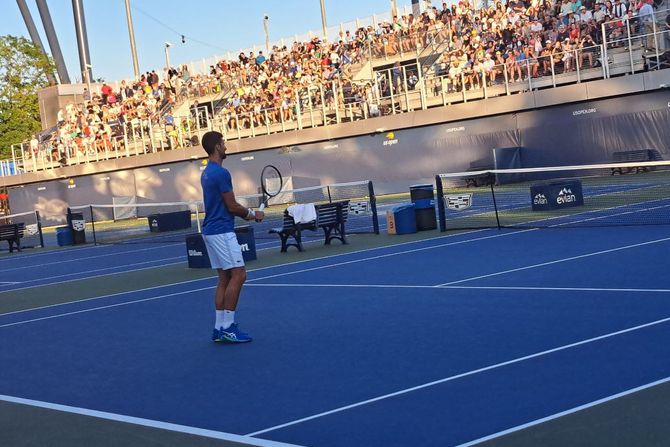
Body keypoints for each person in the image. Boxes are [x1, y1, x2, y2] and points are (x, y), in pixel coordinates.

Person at [200, 131, 264, 343]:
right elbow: (232, 206)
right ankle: (228, 327)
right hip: (221, 231)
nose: (225, 146)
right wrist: (253, 215)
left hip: (210, 231)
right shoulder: (220, 173)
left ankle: (219, 327)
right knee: (239, 275)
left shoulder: (206, 173)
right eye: (223, 143)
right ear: (217, 147)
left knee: (224, 278)